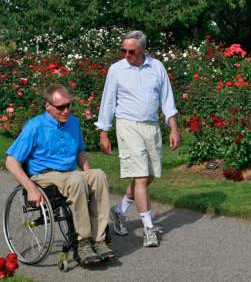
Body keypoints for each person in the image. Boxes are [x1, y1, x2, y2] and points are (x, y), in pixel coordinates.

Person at [5, 84, 114, 265]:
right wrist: (30, 188)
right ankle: (83, 241)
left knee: (99, 175)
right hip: (44, 176)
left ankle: (99, 239)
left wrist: (89, 175)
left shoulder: (74, 123)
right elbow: (11, 162)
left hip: (69, 174)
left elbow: (79, 153)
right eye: (60, 107)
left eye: (68, 105)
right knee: (76, 178)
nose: (65, 111)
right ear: (48, 106)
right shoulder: (35, 126)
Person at [95, 30, 181, 247]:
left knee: (149, 175)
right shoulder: (116, 70)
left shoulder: (157, 67)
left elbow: (167, 100)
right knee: (141, 177)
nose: (126, 55)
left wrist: (173, 128)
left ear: (143, 50)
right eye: (123, 50)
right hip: (127, 126)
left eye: (130, 51)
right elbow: (107, 102)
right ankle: (149, 229)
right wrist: (104, 132)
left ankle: (120, 210)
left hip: (151, 127)